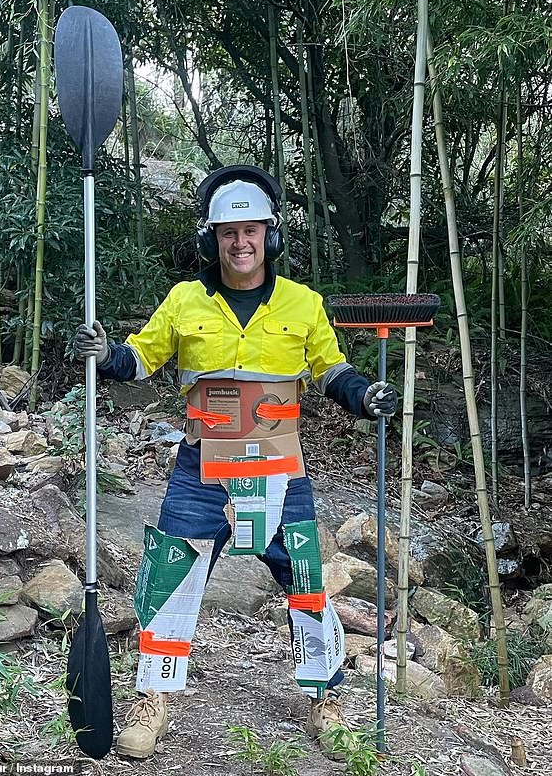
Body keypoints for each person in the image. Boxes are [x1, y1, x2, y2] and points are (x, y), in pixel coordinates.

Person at [75, 165, 397, 760]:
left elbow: (333, 370)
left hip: (281, 469)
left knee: (307, 585)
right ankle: (153, 700)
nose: (240, 243)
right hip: (201, 467)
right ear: (212, 239)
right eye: (228, 232)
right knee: (169, 579)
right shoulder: (185, 300)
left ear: (270, 236)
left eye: (252, 230)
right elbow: (141, 358)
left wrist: (363, 395)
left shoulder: (303, 304)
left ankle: (326, 699)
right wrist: (107, 354)